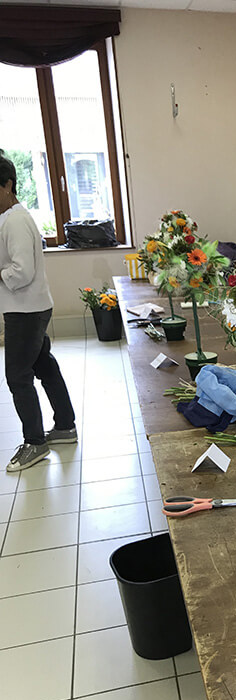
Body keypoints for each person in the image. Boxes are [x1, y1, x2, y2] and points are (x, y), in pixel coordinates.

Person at [0, 149, 77, 472]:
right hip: (30, 306)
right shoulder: (11, 218)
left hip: (25, 310)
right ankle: (65, 427)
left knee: (18, 377)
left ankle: (34, 443)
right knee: (43, 365)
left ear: (8, 185)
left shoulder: (15, 221)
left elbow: (22, 271)